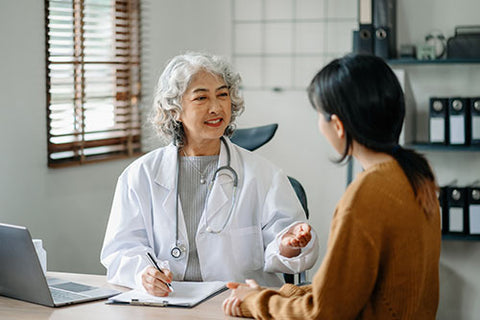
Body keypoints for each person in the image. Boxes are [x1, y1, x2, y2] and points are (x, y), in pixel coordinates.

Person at [222, 54, 441, 319]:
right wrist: (275, 294)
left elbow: (323, 312)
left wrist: (256, 302)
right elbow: (344, 290)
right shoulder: (415, 174)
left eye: (319, 115)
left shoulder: (368, 194)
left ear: (337, 125)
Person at [100, 52, 319, 297]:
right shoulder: (140, 175)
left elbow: (284, 246)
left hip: (239, 302)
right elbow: (121, 250)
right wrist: (144, 274)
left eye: (223, 95)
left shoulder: (264, 174)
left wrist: (287, 245)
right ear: (175, 110)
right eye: (201, 97)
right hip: (170, 303)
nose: (216, 108)